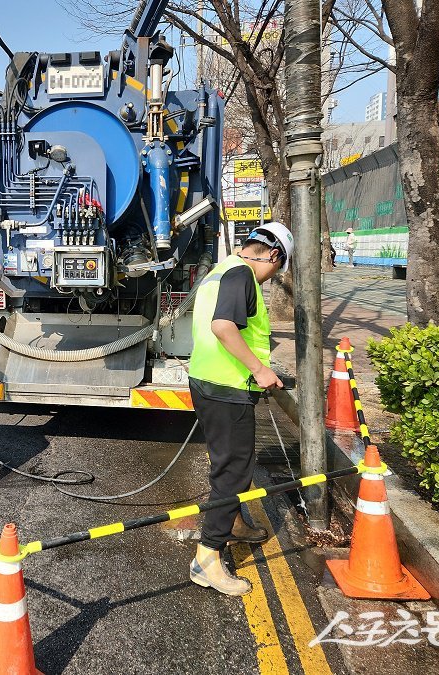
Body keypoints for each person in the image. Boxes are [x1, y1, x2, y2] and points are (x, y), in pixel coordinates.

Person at [187, 222, 294, 596]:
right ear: (274, 255)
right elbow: (223, 326)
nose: (271, 277)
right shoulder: (242, 274)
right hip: (226, 388)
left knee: (232, 465)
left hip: (207, 381)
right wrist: (260, 370)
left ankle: (232, 524)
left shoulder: (221, 270)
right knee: (232, 472)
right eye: (275, 270)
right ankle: (207, 559)